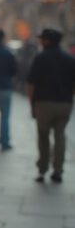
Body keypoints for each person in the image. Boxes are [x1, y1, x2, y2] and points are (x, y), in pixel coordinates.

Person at [26, 29, 75, 183]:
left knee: (43, 136)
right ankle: (58, 170)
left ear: (47, 41)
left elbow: (31, 84)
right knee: (60, 136)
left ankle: (42, 168)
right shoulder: (70, 59)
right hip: (64, 103)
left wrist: (31, 104)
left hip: (44, 103)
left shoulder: (40, 58)